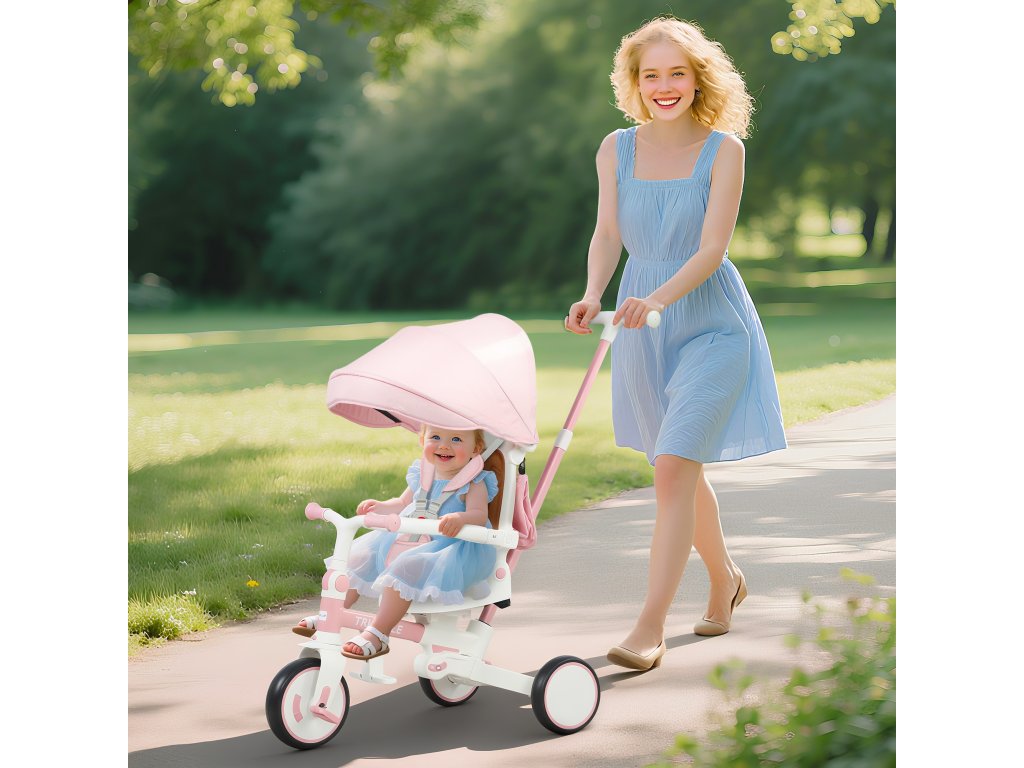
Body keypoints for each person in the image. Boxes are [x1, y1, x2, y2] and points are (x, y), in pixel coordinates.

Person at [566, 16, 787, 671]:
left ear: (698, 79)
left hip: (711, 323)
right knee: (677, 467)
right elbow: (608, 233)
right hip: (640, 324)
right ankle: (726, 580)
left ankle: (648, 628)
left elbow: (713, 248)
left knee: (672, 468)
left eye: (677, 73)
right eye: (651, 75)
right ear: (635, 83)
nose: (664, 86)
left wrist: (659, 298)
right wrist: (593, 293)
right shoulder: (616, 149)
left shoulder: (725, 151)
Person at [292, 426, 499, 659]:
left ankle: (379, 633)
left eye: (456, 439)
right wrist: (380, 506)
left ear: (476, 448)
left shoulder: (474, 482)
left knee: (405, 566)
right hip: (408, 538)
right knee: (360, 557)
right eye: (435, 437)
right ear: (422, 440)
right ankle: (332, 614)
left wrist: (460, 518)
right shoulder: (423, 473)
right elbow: (402, 503)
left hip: (447, 548)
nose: (444, 445)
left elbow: (479, 514)